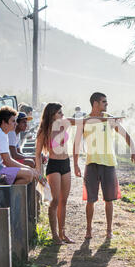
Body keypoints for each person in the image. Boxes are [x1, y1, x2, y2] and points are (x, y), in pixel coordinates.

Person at [73, 92, 135, 240]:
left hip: (109, 163)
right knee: (90, 200)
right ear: (95, 103)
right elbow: (76, 143)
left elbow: (127, 136)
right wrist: (76, 164)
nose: (106, 104)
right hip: (92, 163)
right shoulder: (84, 121)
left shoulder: (109, 119)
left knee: (109, 200)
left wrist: (133, 151)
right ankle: (89, 230)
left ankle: (109, 230)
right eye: (104, 102)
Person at [35, 103, 77, 245]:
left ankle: (63, 233)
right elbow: (37, 154)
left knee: (64, 201)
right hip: (54, 165)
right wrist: (38, 173)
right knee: (55, 201)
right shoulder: (43, 131)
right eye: (59, 112)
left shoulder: (64, 125)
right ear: (52, 114)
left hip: (66, 163)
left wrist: (106, 119)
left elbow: (81, 120)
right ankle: (54, 235)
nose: (62, 115)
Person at [0, 106, 39, 185]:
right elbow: (8, 161)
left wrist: (29, 169)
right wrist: (29, 169)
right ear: (4, 123)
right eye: (13, 121)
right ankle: (8, 196)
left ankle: (8, 194)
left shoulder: (2, 133)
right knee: (28, 174)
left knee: (28, 173)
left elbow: (7, 161)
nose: (16, 124)